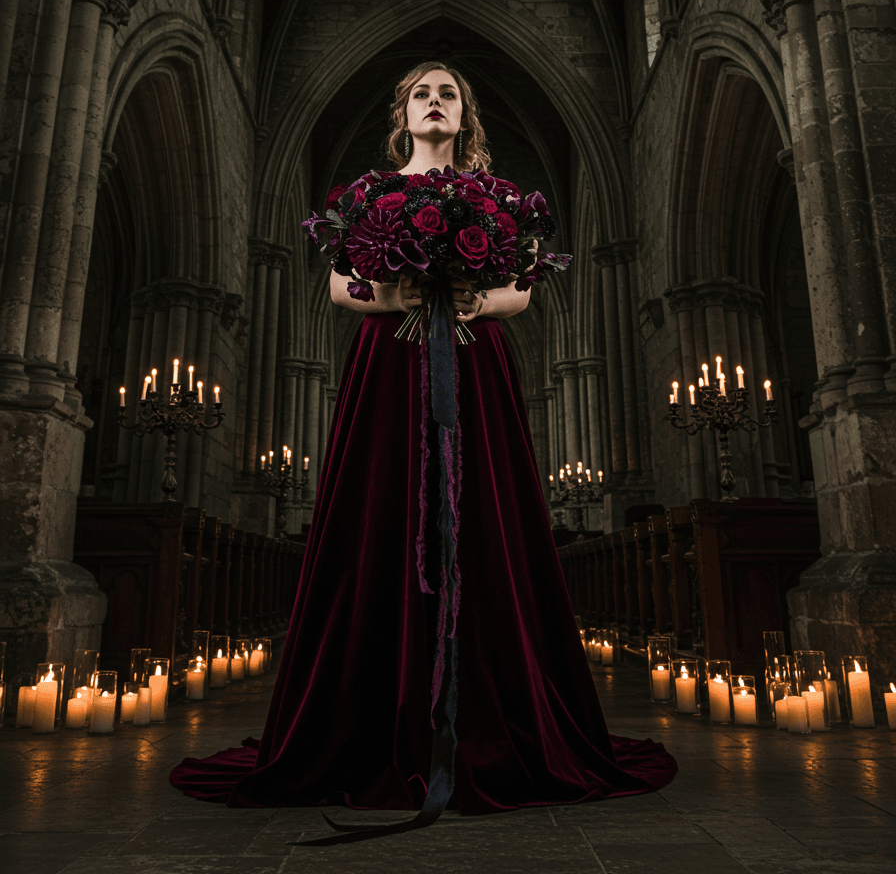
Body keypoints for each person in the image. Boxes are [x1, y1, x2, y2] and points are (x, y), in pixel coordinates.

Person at [170, 60, 676, 826]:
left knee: (483, 517)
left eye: (448, 95)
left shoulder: (498, 196)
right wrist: (396, 294)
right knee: (386, 513)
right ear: (402, 114)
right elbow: (341, 285)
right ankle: (379, 716)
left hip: (476, 362)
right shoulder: (368, 194)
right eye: (422, 94)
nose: (435, 103)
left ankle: (487, 713)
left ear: (465, 116)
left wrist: (477, 303)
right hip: (390, 363)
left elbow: (523, 288)